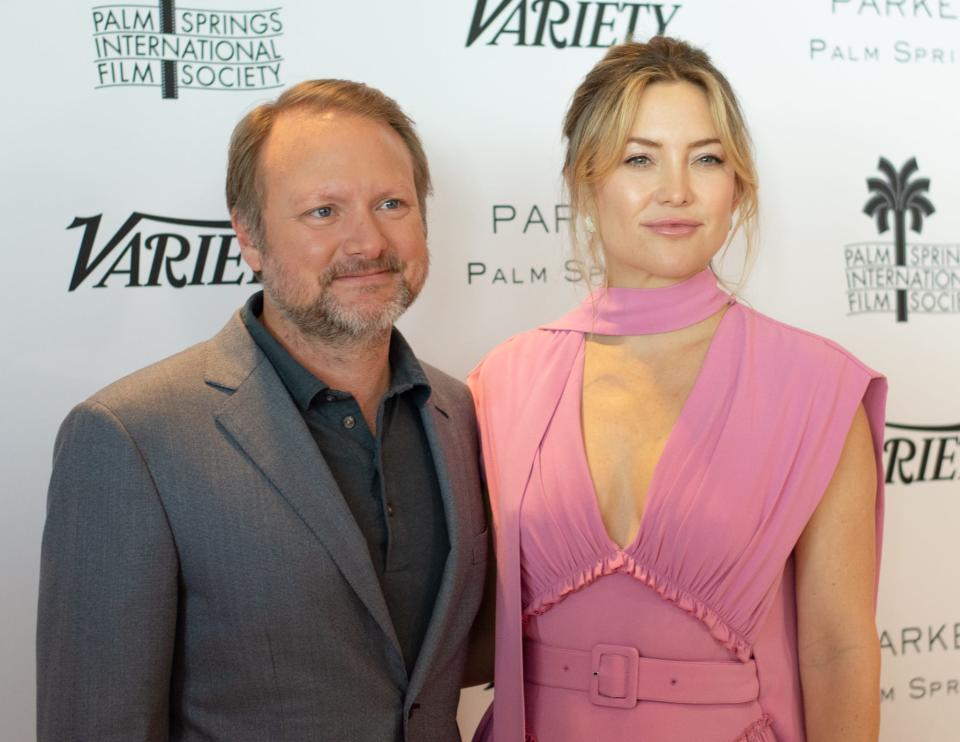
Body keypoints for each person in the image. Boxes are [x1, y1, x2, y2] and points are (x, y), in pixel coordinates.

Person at [37, 79, 487, 742]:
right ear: (249, 237)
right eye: (323, 212)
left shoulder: (464, 413)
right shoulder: (131, 439)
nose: (367, 241)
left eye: (392, 202)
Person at [469, 38, 886, 742]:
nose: (677, 191)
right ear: (584, 180)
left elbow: (837, 649)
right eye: (640, 158)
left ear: (738, 186)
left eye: (706, 158)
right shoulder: (503, 380)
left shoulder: (816, 388)